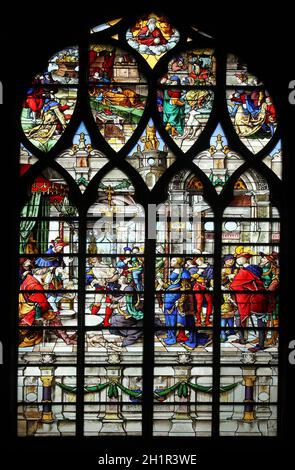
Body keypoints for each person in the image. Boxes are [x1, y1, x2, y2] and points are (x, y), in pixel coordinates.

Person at [19, 264, 76, 346]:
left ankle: (66, 338)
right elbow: (43, 305)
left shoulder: (29, 279)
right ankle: (66, 339)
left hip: (26, 309)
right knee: (55, 319)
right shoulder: (36, 287)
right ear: (44, 275)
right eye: (50, 276)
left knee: (54, 319)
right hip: (31, 313)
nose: (50, 278)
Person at [230, 246, 269, 352]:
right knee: (238, 316)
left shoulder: (246, 271)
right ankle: (242, 339)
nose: (236, 260)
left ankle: (261, 345)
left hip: (257, 300)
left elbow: (235, 285)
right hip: (249, 299)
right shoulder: (248, 269)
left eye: (238, 258)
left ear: (243, 258)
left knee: (261, 321)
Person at [221, 254, 237, 342]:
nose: (231, 262)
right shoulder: (221, 270)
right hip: (223, 294)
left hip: (233, 293)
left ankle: (231, 330)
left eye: (232, 260)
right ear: (225, 261)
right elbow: (213, 281)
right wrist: (227, 277)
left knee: (231, 312)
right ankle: (222, 333)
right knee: (223, 314)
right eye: (229, 260)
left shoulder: (236, 269)